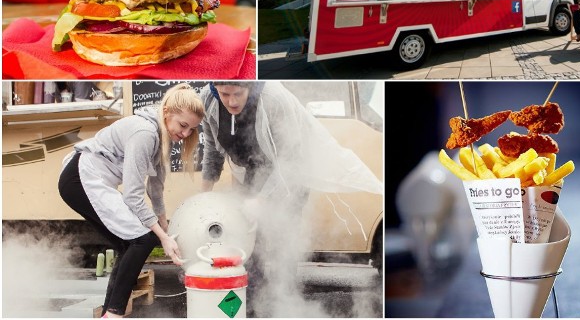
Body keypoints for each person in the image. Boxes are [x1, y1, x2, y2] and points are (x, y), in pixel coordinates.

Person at [199, 81, 382, 317]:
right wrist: (204, 197)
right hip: (253, 173)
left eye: (238, 93)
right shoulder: (207, 98)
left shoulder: (274, 99)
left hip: (292, 175)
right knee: (247, 244)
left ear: (251, 88)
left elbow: (290, 160)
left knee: (281, 243)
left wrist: (261, 201)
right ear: (215, 89)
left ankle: (283, 306)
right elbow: (212, 151)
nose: (232, 101)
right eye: (225, 94)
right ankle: (247, 308)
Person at [58, 83, 204, 318]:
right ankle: (114, 313)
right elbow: (133, 195)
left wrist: (165, 227)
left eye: (192, 130)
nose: (185, 134)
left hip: (87, 178)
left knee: (128, 244)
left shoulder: (159, 135)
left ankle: (109, 312)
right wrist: (161, 237)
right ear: (167, 112)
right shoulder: (145, 133)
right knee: (142, 239)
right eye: (183, 125)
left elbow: (155, 188)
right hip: (81, 177)